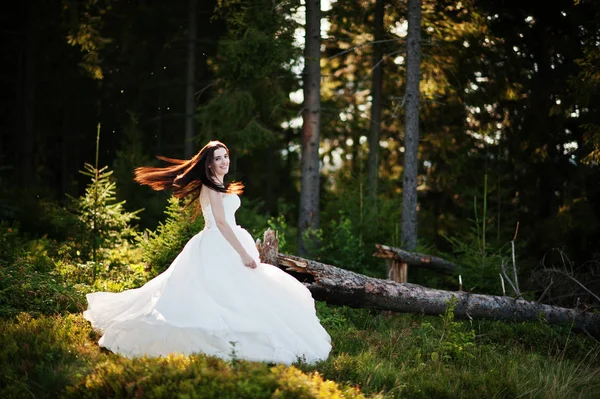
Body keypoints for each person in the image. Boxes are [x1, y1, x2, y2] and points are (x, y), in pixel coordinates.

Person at [83, 141, 331, 365]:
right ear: (209, 164)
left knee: (240, 294)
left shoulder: (220, 185)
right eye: (218, 158)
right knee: (215, 295)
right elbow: (221, 223)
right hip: (218, 243)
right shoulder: (211, 186)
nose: (224, 161)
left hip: (225, 240)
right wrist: (243, 253)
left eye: (226, 156)